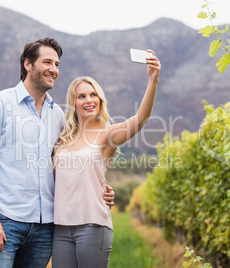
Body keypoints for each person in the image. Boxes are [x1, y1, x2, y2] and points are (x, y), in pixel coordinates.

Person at [0, 37, 114, 268]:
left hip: (45, 228)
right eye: (47, 62)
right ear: (28, 64)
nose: (53, 69)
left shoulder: (58, 116)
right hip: (6, 222)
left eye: (57, 64)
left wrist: (98, 188)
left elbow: (73, 161)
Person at [52, 50, 161, 268]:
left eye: (93, 95)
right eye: (82, 96)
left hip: (93, 226)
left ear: (101, 100)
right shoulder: (62, 140)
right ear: (74, 103)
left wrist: (153, 79)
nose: (89, 100)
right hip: (60, 228)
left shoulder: (107, 135)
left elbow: (140, 120)